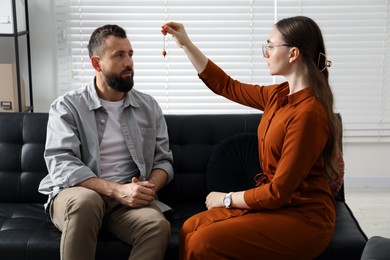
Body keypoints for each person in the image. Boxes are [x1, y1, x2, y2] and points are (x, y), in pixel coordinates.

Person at [161, 16, 342, 259]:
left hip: (304, 217)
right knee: (189, 228)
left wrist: (227, 199)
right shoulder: (278, 95)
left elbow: (279, 192)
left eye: (270, 45)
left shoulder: (309, 114)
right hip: (276, 205)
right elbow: (226, 86)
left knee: (203, 241)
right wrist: (185, 44)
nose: (265, 53)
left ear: (293, 54)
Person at [38, 24, 174, 260]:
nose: (128, 62)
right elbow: (61, 163)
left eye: (130, 54)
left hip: (126, 205)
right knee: (87, 202)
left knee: (156, 225)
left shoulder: (149, 106)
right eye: (119, 55)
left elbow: (164, 161)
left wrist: (146, 188)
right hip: (77, 195)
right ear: (96, 63)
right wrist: (116, 190)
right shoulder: (67, 107)